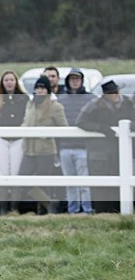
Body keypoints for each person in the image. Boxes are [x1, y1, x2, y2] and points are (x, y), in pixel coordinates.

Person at [76, 80, 135, 213]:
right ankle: (102, 212)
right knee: (101, 186)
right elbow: (81, 122)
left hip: (122, 151)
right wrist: (102, 128)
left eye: (115, 92)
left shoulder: (127, 103)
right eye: (111, 93)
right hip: (101, 152)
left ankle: (121, 211)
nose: (114, 95)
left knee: (123, 182)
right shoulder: (94, 105)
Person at [19, 76, 68, 214]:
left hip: (45, 151)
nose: (39, 91)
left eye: (43, 88)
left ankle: (45, 213)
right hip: (28, 149)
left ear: (48, 90)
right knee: (21, 180)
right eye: (38, 88)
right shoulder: (30, 104)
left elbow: (64, 127)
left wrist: (47, 134)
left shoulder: (56, 107)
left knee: (42, 183)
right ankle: (50, 203)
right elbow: (25, 121)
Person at [0, 70, 28, 214]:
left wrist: (22, 127)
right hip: (1, 139)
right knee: (2, 173)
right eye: (6, 80)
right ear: (2, 83)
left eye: (11, 80)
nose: (9, 82)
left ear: (16, 82)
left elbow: (27, 118)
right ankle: (3, 208)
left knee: (15, 173)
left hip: (18, 139)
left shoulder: (24, 98)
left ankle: (14, 207)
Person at [57, 68, 95, 214]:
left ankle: (87, 209)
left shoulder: (91, 98)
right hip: (65, 146)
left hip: (83, 146)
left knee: (84, 182)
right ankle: (72, 210)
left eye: (77, 79)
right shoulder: (61, 99)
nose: (75, 81)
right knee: (70, 183)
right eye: (72, 79)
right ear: (68, 81)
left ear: (82, 81)